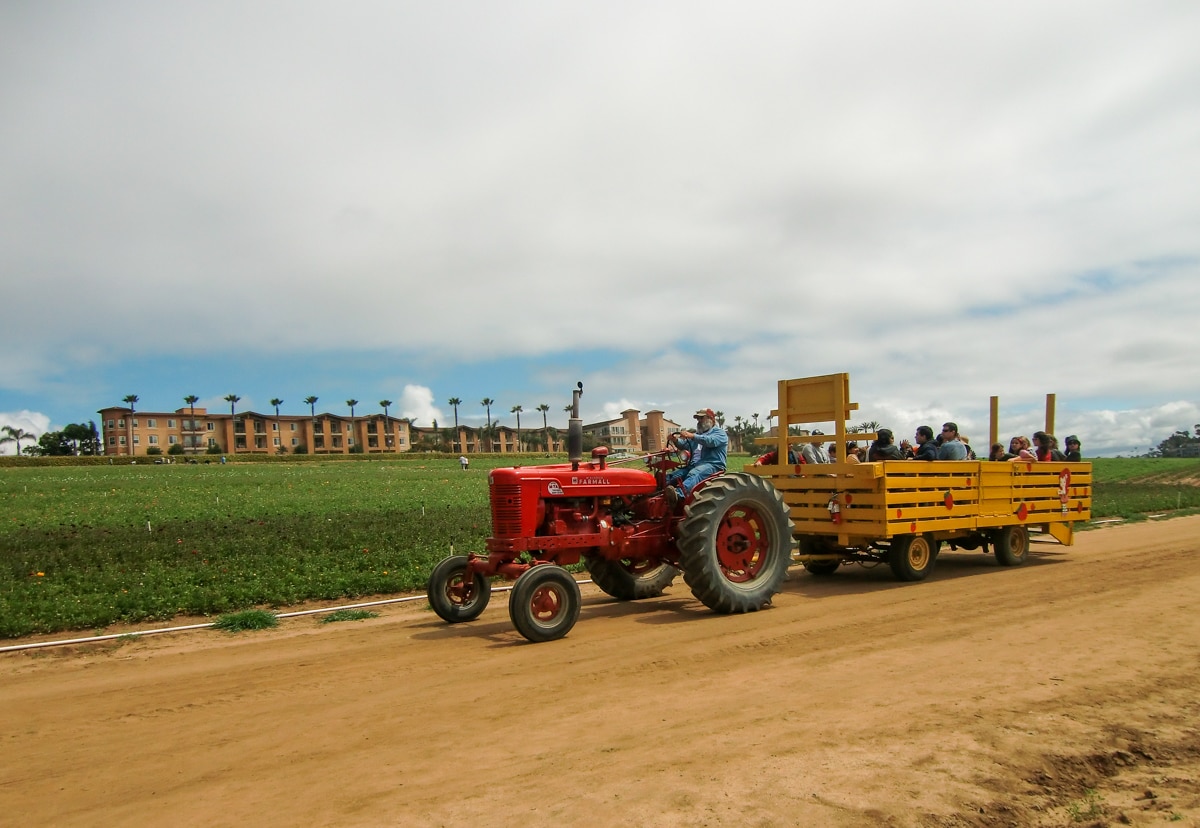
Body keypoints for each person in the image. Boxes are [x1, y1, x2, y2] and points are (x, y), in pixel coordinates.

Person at [665, 408, 728, 506]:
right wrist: (675, 440)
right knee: (673, 476)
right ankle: (658, 492)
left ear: (711, 419)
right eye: (698, 419)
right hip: (694, 465)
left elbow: (710, 441)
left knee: (695, 474)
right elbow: (685, 445)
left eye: (701, 418)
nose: (699, 421)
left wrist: (692, 436)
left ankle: (679, 495)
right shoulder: (698, 434)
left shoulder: (720, 433)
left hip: (713, 465)